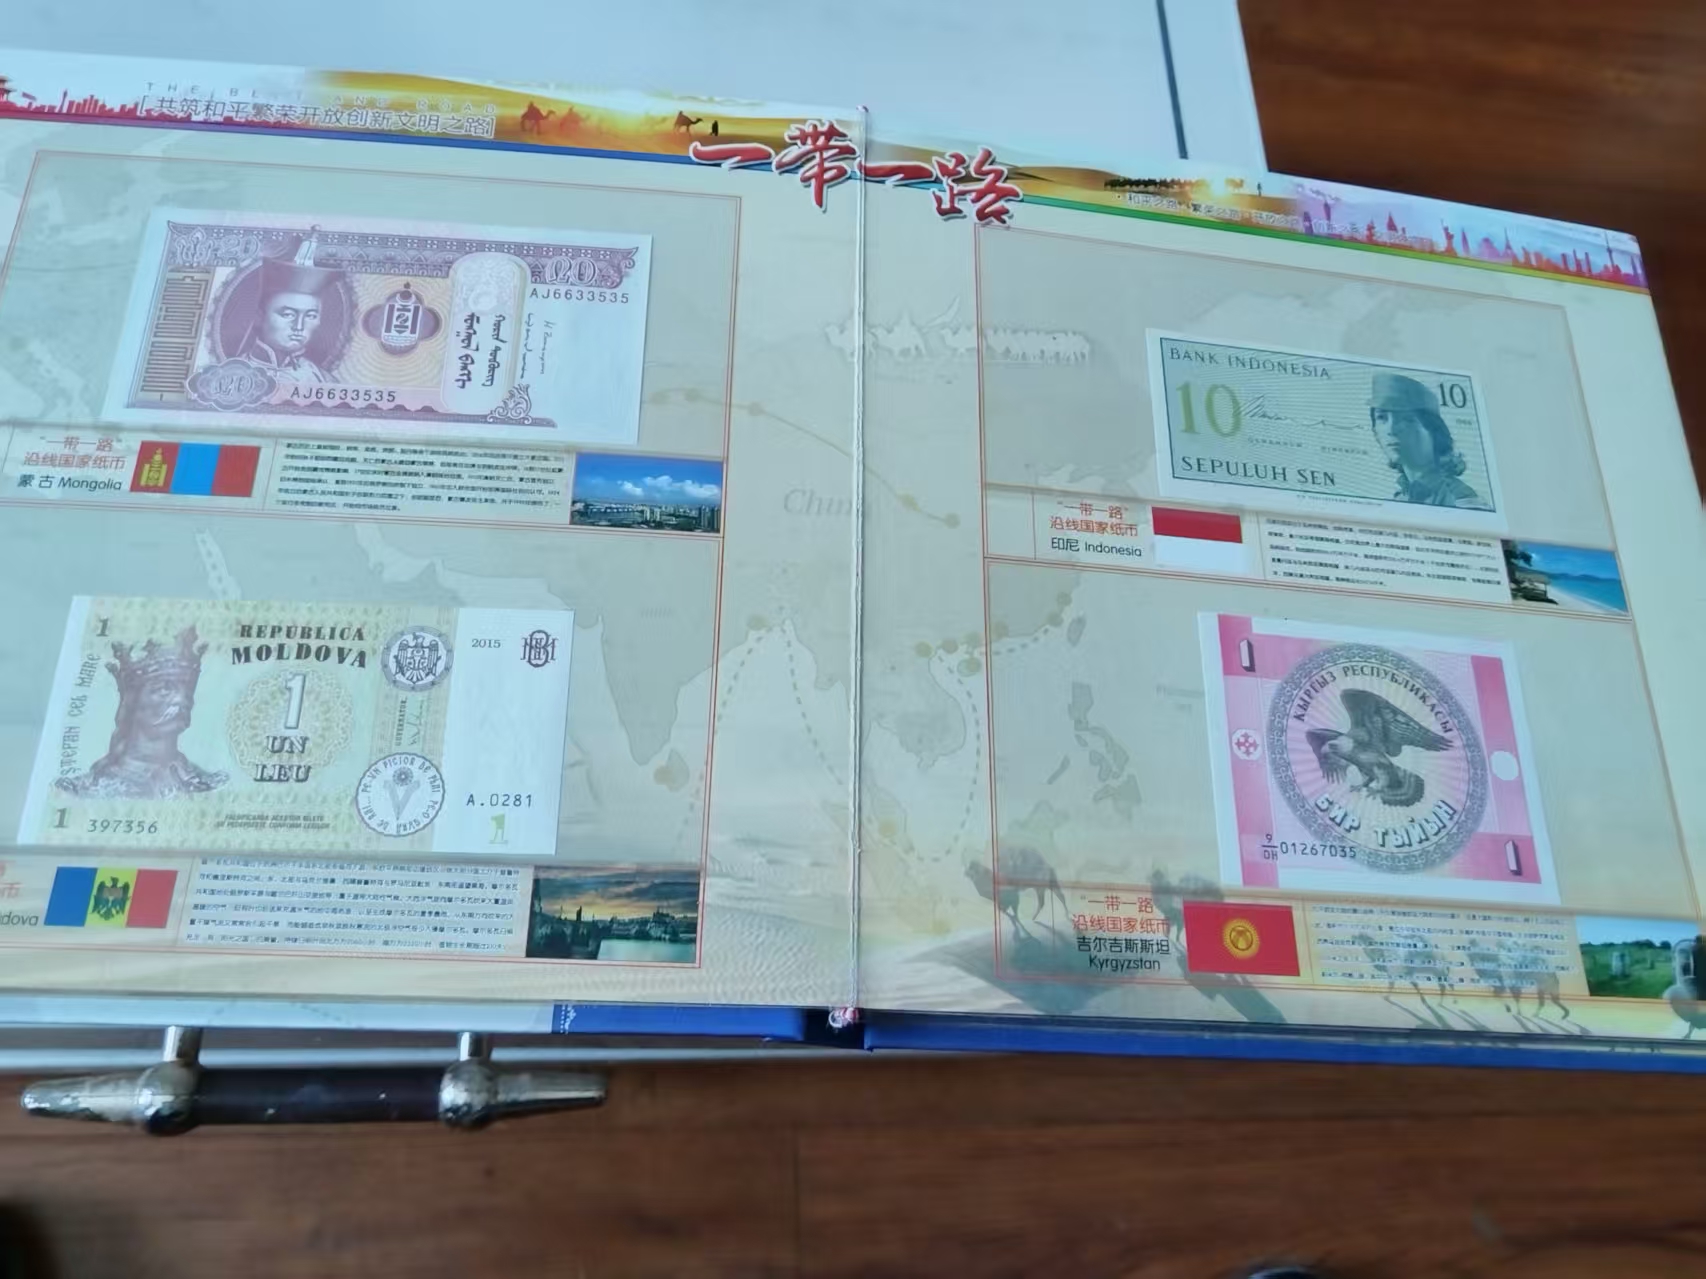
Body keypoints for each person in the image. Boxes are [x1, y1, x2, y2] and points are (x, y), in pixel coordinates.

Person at [56, 627, 228, 800]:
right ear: (131, 700)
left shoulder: (207, 785)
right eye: (164, 688)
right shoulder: (85, 791)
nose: (183, 699)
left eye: (188, 689)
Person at [1367, 371, 1482, 508]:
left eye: (1406, 419)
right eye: (1381, 417)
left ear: (1434, 431)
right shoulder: (1401, 497)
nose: (1391, 430)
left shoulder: (1461, 500)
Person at [235, 239, 341, 383]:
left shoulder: (324, 380)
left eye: (310, 316)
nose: (298, 326)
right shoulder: (231, 375)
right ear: (260, 317)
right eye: (288, 314)